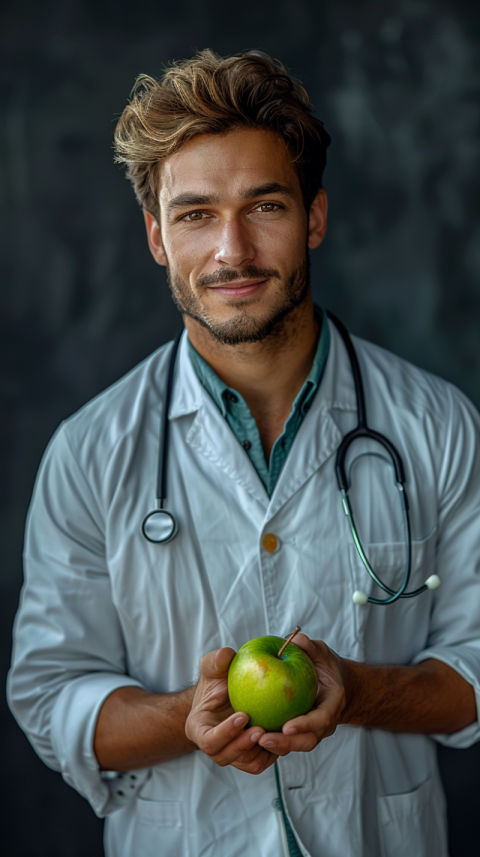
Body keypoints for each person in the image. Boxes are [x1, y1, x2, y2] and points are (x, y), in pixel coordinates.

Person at [8, 49, 480, 857]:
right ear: (156, 236)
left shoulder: (438, 424)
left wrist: (357, 688)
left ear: (315, 217)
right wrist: (186, 714)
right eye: (195, 214)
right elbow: (55, 694)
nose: (232, 251)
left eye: (264, 206)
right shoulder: (90, 452)